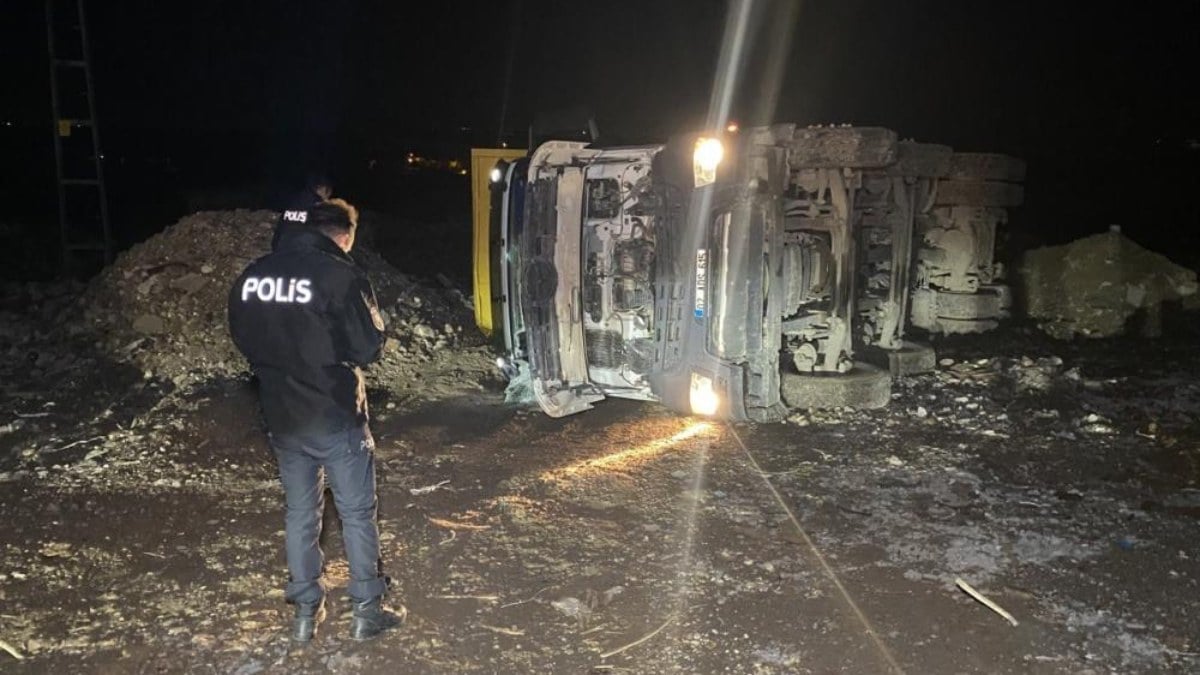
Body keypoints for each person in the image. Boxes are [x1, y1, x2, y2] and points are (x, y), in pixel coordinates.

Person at [228, 198, 403, 642]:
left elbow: (243, 337)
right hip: (336, 415)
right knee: (357, 514)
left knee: (301, 513)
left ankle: (305, 613)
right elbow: (368, 348)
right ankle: (367, 611)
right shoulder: (340, 275)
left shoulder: (255, 275)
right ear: (344, 236)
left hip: (283, 416)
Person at [271, 173, 334, 251]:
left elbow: (279, 231)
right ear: (322, 189)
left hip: (279, 248)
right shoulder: (319, 207)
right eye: (328, 193)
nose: (327, 198)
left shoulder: (293, 202)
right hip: (300, 252)